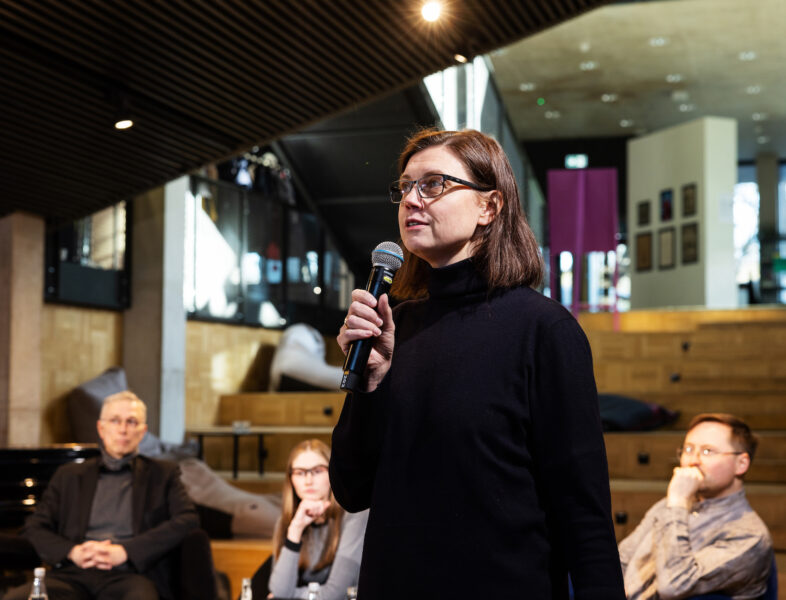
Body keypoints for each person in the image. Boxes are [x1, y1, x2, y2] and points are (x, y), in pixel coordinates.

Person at [330, 128, 625, 599]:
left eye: (433, 184)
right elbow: (351, 489)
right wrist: (369, 385)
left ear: (489, 206)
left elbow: (583, 511)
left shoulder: (543, 330)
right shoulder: (394, 327)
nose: (411, 200)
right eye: (405, 187)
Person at [5, 391, 199, 600]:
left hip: (131, 574)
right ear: (101, 428)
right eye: (115, 421)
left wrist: (127, 551)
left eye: (131, 422)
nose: (123, 429)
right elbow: (34, 526)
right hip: (73, 573)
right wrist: (72, 552)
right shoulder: (69, 475)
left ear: (142, 431)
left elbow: (188, 519)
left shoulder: (163, 474)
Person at [618, 413, 773, 599]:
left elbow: (674, 585)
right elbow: (622, 560)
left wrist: (677, 503)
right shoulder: (668, 505)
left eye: (708, 451)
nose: (692, 461)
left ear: (741, 463)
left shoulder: (750, 536)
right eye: (688, 449)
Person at [266, 439, 367, 600]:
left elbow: (336, 593)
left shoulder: (355, 516)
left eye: (317, 471)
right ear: (290, 479)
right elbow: (279, 589)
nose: (308, 481)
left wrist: (293, 595)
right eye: (300, 472)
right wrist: (296, 529)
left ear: (332, 473)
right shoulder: (288, 521)